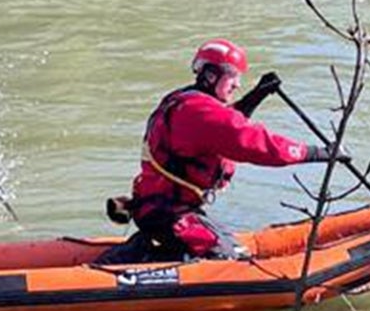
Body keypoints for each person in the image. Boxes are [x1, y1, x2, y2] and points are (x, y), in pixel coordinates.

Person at [105, 39, 340, 263]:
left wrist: (255, 96)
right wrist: (318, 153)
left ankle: (152, 249)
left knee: (219, 246)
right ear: (211, 75)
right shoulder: (199, 112)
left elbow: (220, 128)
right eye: (233, 76)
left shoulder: (186, 101)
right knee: (232, 259)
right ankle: (148, 257)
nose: (237, 84)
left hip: (158, 207)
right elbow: (253, 142)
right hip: (169, 215)